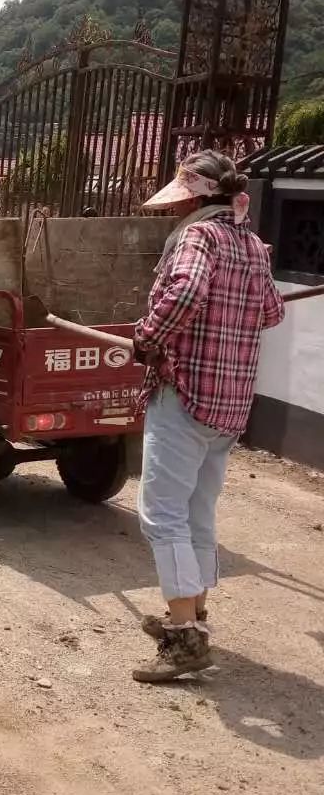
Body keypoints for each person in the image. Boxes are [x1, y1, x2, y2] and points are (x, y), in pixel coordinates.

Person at [131, 149, 284, 683]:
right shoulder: (252, 245)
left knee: (161, 515)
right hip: (231, 404)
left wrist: (147, 336)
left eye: (180, 202)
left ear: (194, 198)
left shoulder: (199, 237)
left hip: (187, 395)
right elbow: (271, 311)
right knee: (197, 511)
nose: (175, 213)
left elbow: (188, 290)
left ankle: (185, 640)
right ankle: (191, 614)